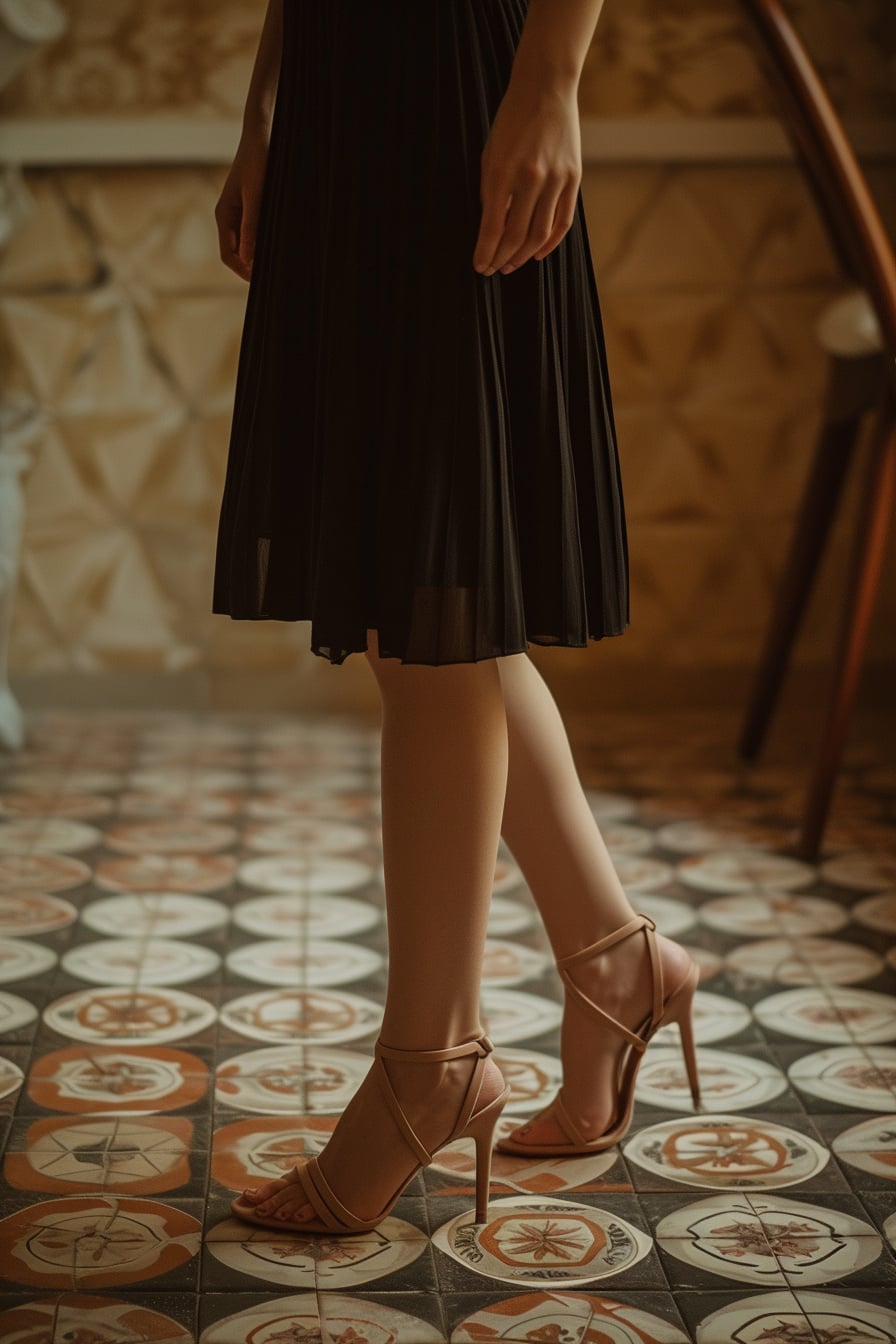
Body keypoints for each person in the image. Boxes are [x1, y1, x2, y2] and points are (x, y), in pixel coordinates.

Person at [211, 0, 699, 1236]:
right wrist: (268, 107)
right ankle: (614, 959)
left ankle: (429, 1063)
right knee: (425, 607)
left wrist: (551, 75)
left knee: (431, 607)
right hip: (342, 90)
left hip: (454, 92)